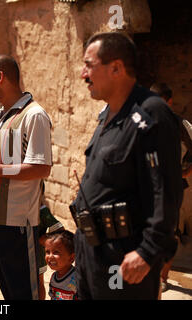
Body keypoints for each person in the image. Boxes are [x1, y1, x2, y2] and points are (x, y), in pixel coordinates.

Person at [71, 32, 183, 299]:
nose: (83, 74)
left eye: (89, 65)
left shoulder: (150, 113)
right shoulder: (109, 115)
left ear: (116, 68)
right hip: (91, 253)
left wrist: (147, 251)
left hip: (122, 257)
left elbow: (166, 191)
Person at [0, 54, 53, 300]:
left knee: (24, 294)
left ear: (0, 77)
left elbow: (41, 168)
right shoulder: (0, 117)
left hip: (18, 226)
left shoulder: (34, 115)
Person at [150, 82, 192, 293]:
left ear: (169, 102)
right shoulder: (141, 122)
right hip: (145, 188)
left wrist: (184, 171)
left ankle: (163, 276)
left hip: (170, 189)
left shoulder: (180, 125)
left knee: (169, 233)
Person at [38, 201, 64, 300]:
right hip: (18, 253)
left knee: (38, 282)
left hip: (37, 256)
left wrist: (42, 240)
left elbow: (59, 229)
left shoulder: (41, 210)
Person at [45, 230, 77, 300]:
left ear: (71, 258)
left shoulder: (76, 278)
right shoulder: (53, 277)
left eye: (56, 252)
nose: (50, 256)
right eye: (47, 252)